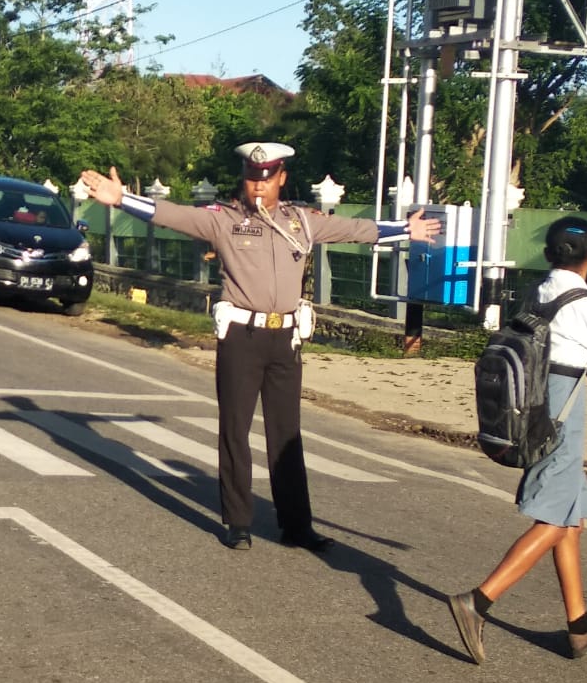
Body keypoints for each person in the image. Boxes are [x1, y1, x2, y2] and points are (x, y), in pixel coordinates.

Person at [80, 142, 439, 553]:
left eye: (267, 180)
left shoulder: (302, 221)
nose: (259, 187)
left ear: (281, 179)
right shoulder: (224, 221)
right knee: (235, 428)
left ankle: (296, 525)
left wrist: (405, 230)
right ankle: (238, 520)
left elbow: (355, 231)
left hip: (285, 339)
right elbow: (174, 215)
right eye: (252, 179)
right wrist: (122, 199)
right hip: (242, 339)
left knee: (286, 434)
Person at [447, 217, 587, 664]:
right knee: (553, 520)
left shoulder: (540, 291)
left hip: (533, 407)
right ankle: (478, 601)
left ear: (548, 253)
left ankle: (580, 626)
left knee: (570, 517)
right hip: (563, 413)